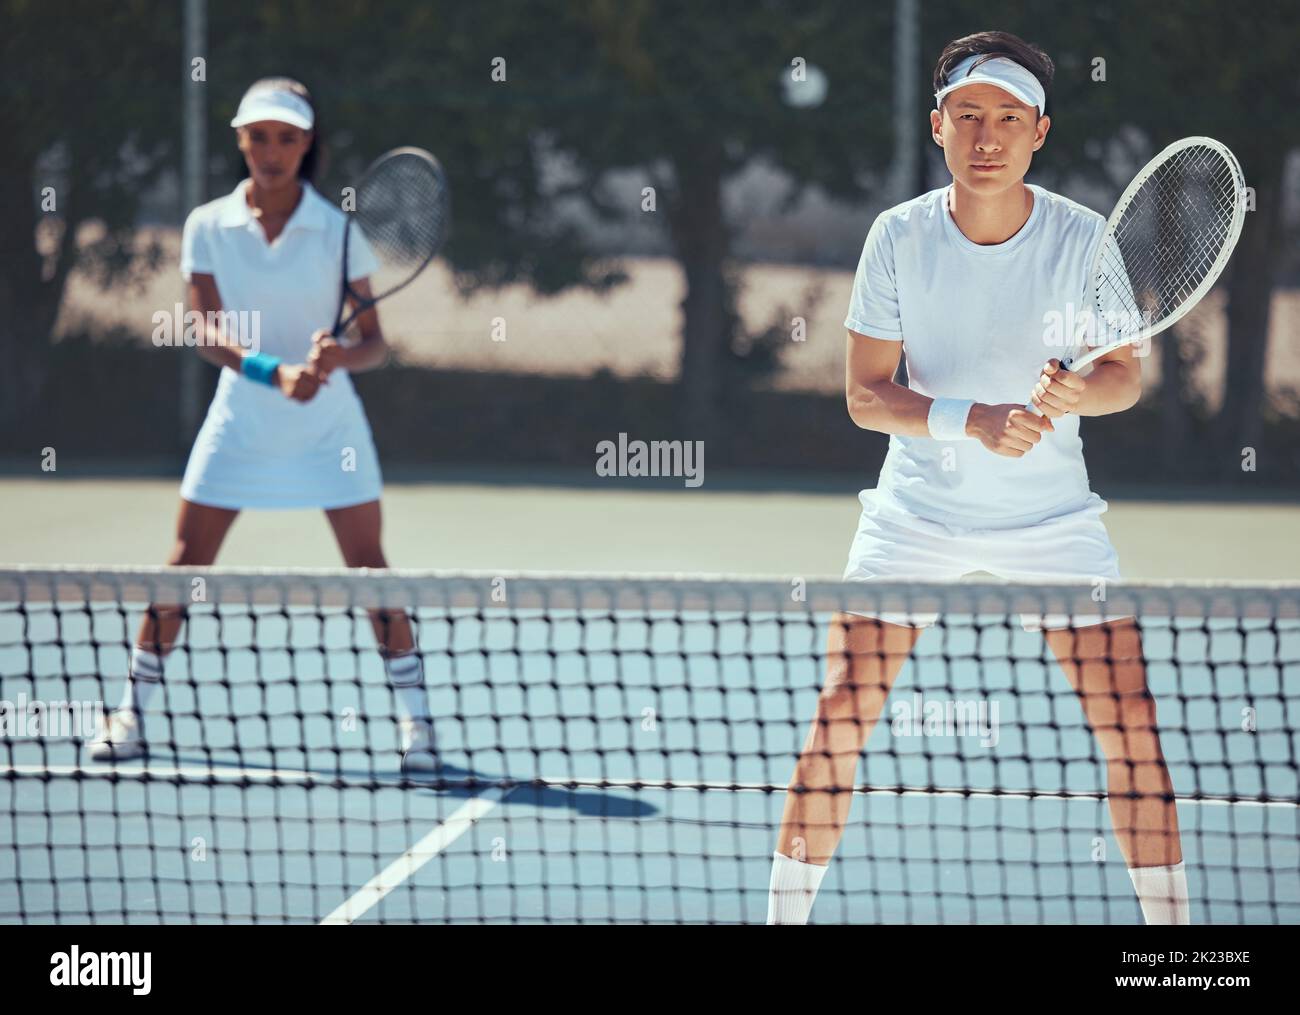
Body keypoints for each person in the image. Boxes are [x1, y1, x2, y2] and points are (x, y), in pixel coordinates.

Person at [767, 31, 1188, 925]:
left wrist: (1076, 389)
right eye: (968, 117)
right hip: (912, 518)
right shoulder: (898, 237)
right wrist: (974, 420)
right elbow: (864, 395)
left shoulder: (1084, 240)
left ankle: (1177, 950)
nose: (986, 136)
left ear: (1039, 131)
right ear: (938, 127)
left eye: (1007, 118)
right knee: (840, 714)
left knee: (1134, 725)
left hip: (1055, 521)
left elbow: (1123, 380)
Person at [88, 77, 437, 773]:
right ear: (240, 140)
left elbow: (375, 341)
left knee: (370, 570)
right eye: (259, 136)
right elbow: (205, 331)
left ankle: (418, 727)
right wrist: (270, 371)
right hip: (240, 423)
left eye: (287, 138)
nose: (272, 151)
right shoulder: (206, 226)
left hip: (330, 433)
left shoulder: (340, 234)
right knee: (185, 562)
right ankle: (130, 714)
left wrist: (339, 358)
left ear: (307, 146)